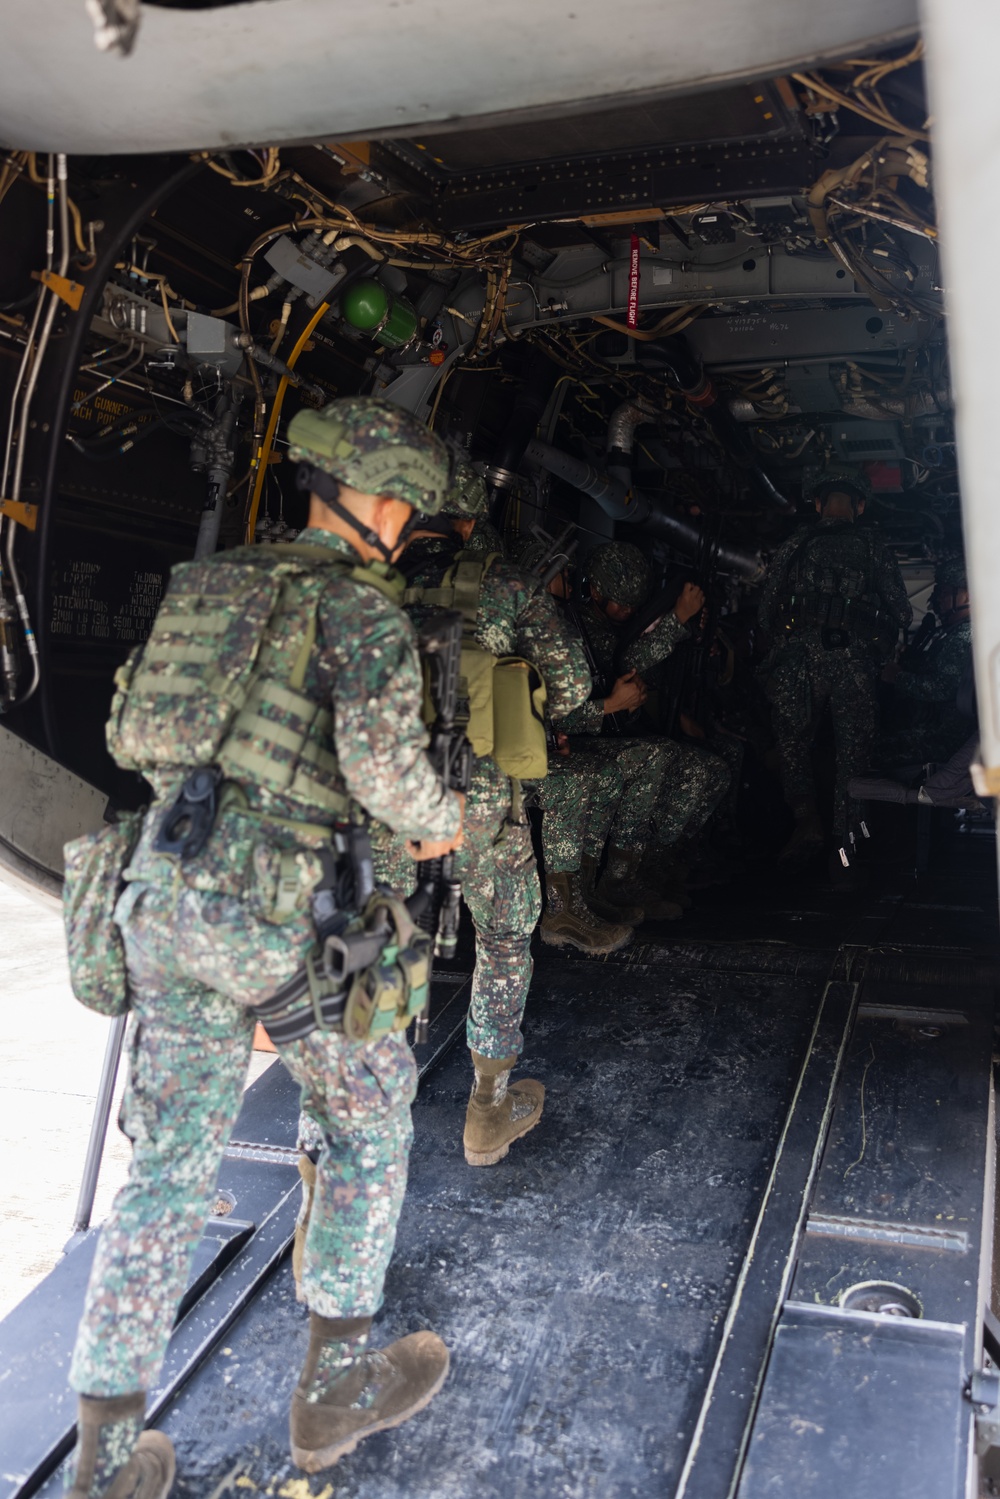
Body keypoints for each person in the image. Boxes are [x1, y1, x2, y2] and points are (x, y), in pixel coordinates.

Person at [63, 397, 467, 1498]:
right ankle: (332, 1394)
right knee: (370, 1114)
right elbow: (388, 778)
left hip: (159, 894)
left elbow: (122, 731)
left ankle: (104, 1456)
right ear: (376, 501)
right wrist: (443, 820)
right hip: (277, 913)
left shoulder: (209, 588)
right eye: (409, 505)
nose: (411, 522)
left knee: (167, 1167)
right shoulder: (363, 617)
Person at [360, 466, 595, 1166]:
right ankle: (486, 1114)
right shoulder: (506, 584)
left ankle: (362, 1110)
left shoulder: (369, 583)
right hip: (483, 799)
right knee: (500, 943)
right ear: (469, 519)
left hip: (390, 803)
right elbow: (577, 686)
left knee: (385, 938)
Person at [548, 540, 731, 918]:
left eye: (633, 604)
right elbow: (622, 666)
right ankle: (618, 879)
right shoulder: (574, 627)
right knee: (657, 754)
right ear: (594, 590)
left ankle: (654, 869)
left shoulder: (611, 623)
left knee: (709, 768)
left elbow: (637, 668)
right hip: (583, 736)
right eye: (619, 602)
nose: (626, 611)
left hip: (615, 731)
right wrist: (675, 622)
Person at [758, 466, 911, 865]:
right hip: (853, 665)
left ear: (818, 503)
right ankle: (847, 849)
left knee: (792, 743)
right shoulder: (874, 547)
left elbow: (765, 610)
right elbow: (903, 613)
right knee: (853, 756)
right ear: (859, 505)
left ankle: (806, 821)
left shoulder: (796, 544)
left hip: (800, 662)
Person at [879, 553, 974, 771]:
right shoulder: (958, 633)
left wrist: (897, 677)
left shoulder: (963, 636)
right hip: (939, 729)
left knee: (866, 750)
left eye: (946, 592)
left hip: (946, 737)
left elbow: (942, 689)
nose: (938, 600)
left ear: (968, 597)